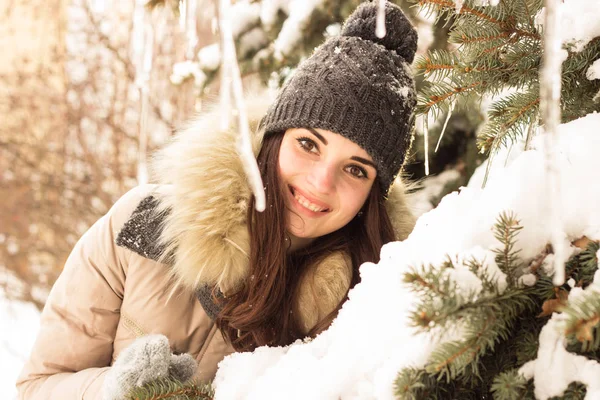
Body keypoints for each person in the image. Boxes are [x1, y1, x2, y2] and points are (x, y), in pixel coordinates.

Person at [17, 1, 419, 399]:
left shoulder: (369, 304)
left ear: (372, 195)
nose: (320, 181)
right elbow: (37, 386)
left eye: (356, 169)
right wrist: (113, 390)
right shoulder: (141, 228)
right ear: (274, 139)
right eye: (308, 144)